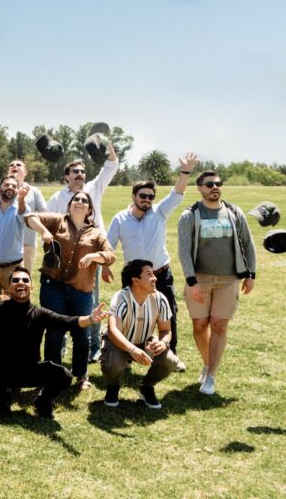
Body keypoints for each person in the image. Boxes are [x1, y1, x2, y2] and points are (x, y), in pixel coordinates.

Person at [0, 266, 108, 418]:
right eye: (16, 280)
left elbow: (68, 321)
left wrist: (90, 319)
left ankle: (42, 401)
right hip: (4, 371)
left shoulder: (39, 313)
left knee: (64, 376)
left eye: (25, 280)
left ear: (31, 287)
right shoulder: (1, 308)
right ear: (10, 288)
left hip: (31, 370)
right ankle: (4, 397)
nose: (21, 283)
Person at [103, 153, 198, 368]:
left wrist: (185, 171)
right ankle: (126, 354)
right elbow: (110, 245)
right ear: (134, 196)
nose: (147, 200)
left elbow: (177, 193)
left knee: (168, 313)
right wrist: (105, 267)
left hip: (160, 273)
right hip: (134, 278)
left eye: (150, 196)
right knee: (128, 315)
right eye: (143, 196)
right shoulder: (120, 218)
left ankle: (170, 355)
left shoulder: (159, 213)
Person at [25, 192, 115, 390]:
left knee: (81, 332)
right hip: (53, 285)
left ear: (90, 209)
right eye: (76, 199)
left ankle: (81, 375)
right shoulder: (58, 221)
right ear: (70, 204)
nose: (80, 202)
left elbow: (110, 255)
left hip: (81, 290)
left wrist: (94, 256)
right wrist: (44, 231)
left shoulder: (96, 233)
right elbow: (29, 217)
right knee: (54, 331)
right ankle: (51, 375)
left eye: (84, 200)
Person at [177, 171, 256, 395]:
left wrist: (251, 273)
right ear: (199, 188)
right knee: (200, 325)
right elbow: (183, 251)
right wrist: (191, 282)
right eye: (209, 184)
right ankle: (207, 363)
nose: (215, 187)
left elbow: (248, 243)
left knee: (219, 325)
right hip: (199, 279)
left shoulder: (233, 212)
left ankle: (211, 376)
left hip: (228, 279)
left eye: (218, 184)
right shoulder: (190, 215)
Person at [46, 149, 119, 362]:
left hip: (90, 257)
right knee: (61, 302)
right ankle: (61, 346)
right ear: (66, 176)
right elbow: (48, 227)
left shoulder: (93, 189)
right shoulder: (57, 198)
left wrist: (108, 145)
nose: (80, 174)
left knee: (90, 302)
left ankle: (93, 346)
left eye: (82, 171)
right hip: (62, 260)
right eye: (75, 171)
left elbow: (111, 166)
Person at [102, 260, 179, 409]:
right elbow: (113, 330)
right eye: (149, 274)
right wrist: (132, 349)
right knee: (113, 363)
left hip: (145, 341)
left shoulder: (160, 298)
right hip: (118, 342)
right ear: (135, 280)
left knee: (169, 359)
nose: (155, 278)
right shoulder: (120, 298)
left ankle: (147, 387)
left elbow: (166, 331)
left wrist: (163, 342)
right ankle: (113, 386)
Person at [0, 155, 47, 272]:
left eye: (18, 165)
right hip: (4, 242)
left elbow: (43, 213)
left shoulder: (34, 191)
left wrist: (27, 217)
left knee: (24, 276)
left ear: (25, 172)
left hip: (27, 242)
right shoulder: (3, 186)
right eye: (11, 165)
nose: (14, 166)